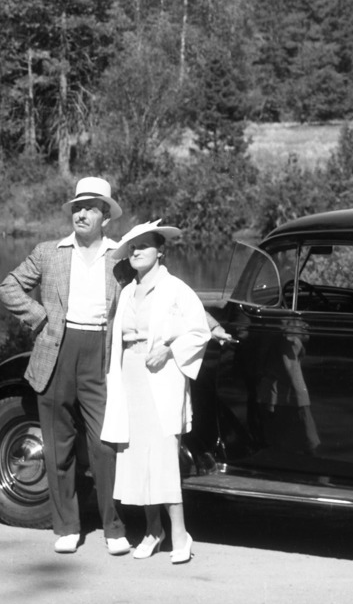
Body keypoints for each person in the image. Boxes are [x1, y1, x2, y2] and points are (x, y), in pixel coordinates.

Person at [0, 175, 128, 555]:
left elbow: (150, 293)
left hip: (101, 355)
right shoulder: (49, 252)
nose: (81, 214)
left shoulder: (120, 257)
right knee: (58, 446)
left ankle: (114, 528)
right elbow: (8, 287)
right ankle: (67, 526)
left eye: (89, 208)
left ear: (105, 215)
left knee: (106, 445)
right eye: (76, 207)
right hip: (56, 350)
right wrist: (38, 317)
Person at [100, 219, 220, 563]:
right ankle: (154, 530)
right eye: (132, 248)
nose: (137, 252)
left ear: (160, 251)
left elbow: (199, 331)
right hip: (130, 377)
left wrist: (169, 350)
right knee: (136, 457)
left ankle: (180, 534)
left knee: (164, 456)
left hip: (162, 376)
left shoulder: (176, 290)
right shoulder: (126, 293)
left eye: (144, 246)